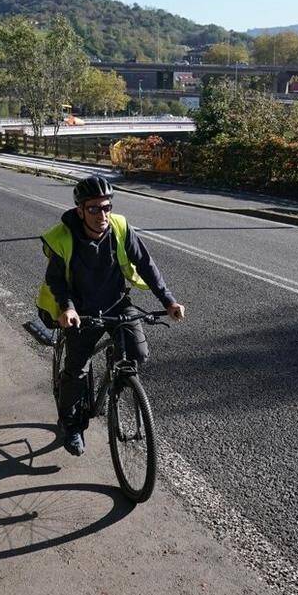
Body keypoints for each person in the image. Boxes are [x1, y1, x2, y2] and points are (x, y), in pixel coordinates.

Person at [36, 175, 185, 456]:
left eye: (106, 207)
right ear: (80, 210)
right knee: (76, 371)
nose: (102, 215)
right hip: (80, 311)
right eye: (93, 209)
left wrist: (168, 301)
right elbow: (57, 282)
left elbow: (146, 264)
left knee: (137, 354)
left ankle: (117, 380)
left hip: (117, 303)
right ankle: (72, 424)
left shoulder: (120, 227)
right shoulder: (61, 237)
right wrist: (68, 308)